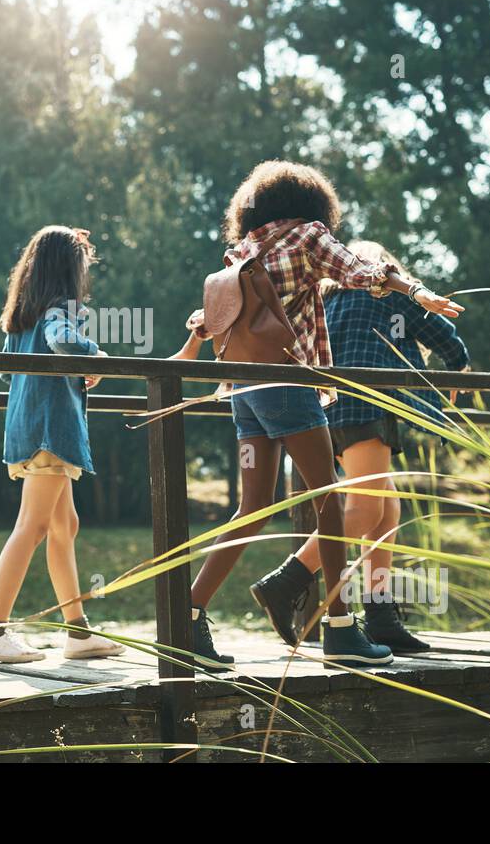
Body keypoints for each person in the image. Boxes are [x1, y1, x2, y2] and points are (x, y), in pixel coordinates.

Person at [170, 161, 463, 668]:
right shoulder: (309, 237)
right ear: (312, 203)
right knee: (330, 501)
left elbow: (213, 319)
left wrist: (192, 343)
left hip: (243, 391)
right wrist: (416, 292)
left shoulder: (242, 250)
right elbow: (363, 271)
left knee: (252, 507)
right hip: (288, 385)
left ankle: (187, 617)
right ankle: (341, 629)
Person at [0, 226, 124, 664]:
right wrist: (96, 357)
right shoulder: (60, 310)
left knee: (64, 526)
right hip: (50, 431)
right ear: (67, 272)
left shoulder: (22, 316)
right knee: (33, 527)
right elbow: (62, 341)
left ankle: (77, 632)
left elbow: (7, 370)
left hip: (29, 428)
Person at [321, 240, 470, 654]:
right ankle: (289, 578)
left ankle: (380, 614)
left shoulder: (330, 298)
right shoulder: (388, 293)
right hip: (367, 407)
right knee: (366, 509)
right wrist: (460, 364)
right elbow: (438, 330)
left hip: (329, 413)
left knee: (387, 506)